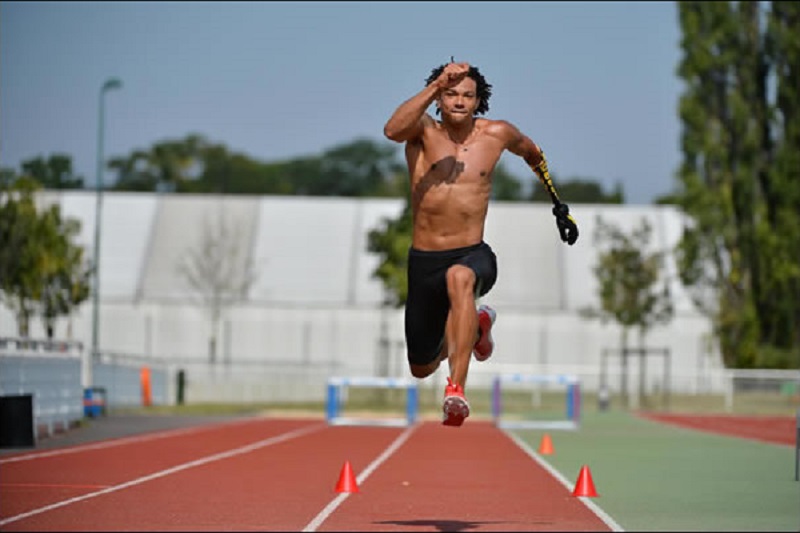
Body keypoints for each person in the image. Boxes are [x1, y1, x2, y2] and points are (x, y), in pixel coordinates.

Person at [383, 60, 578, 427]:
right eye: (451, 94)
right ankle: (477, 325)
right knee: (420, 367)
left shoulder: (498, 134)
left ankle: (456, 390)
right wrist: (435, 84)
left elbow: (533, 152)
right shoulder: (421, 130)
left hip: (471, 253)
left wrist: (557, 202)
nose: (459, 101)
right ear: (439, 98)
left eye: (467, 95)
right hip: (424, 260)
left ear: (478, 101)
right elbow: (391, 130)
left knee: (460, 278)